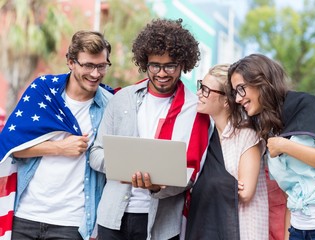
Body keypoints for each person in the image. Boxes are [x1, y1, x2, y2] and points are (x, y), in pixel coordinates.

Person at [89, 18, 211, 240]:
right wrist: (127, 168)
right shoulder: (122, 99)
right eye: (155, 65)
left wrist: (157, 186)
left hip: (161, 225)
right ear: (145, 63)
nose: (162, 73)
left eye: (170, 66)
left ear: (183, 64)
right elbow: (95, 154)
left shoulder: (196, 110)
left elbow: (192, 174)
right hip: (112, 218)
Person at [227, 53, 315, 239]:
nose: (238, 99)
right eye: (234, 93)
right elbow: (290, 193)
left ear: (261, 82)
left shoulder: (307, 106)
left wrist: (285, 146)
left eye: (241, 89)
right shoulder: (267, 126)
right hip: (297, 228)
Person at [0, 30, 113, 240]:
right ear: (71, 62)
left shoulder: (111, 105)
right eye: (88, 65)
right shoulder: (43, 91)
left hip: (72, 222)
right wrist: (60, 147)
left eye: (101, 66)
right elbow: (10, 147)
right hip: (26, 214)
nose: (96, 74)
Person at [185, 64, 268, 239]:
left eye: (206, 90)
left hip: (243, 228)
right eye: (201, 86)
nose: (199, 93)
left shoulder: (247, 135)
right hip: (211, 226)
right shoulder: (205, 134)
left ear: (225, 100)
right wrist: (226, 183)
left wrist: (214, 182)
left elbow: (245, 193)